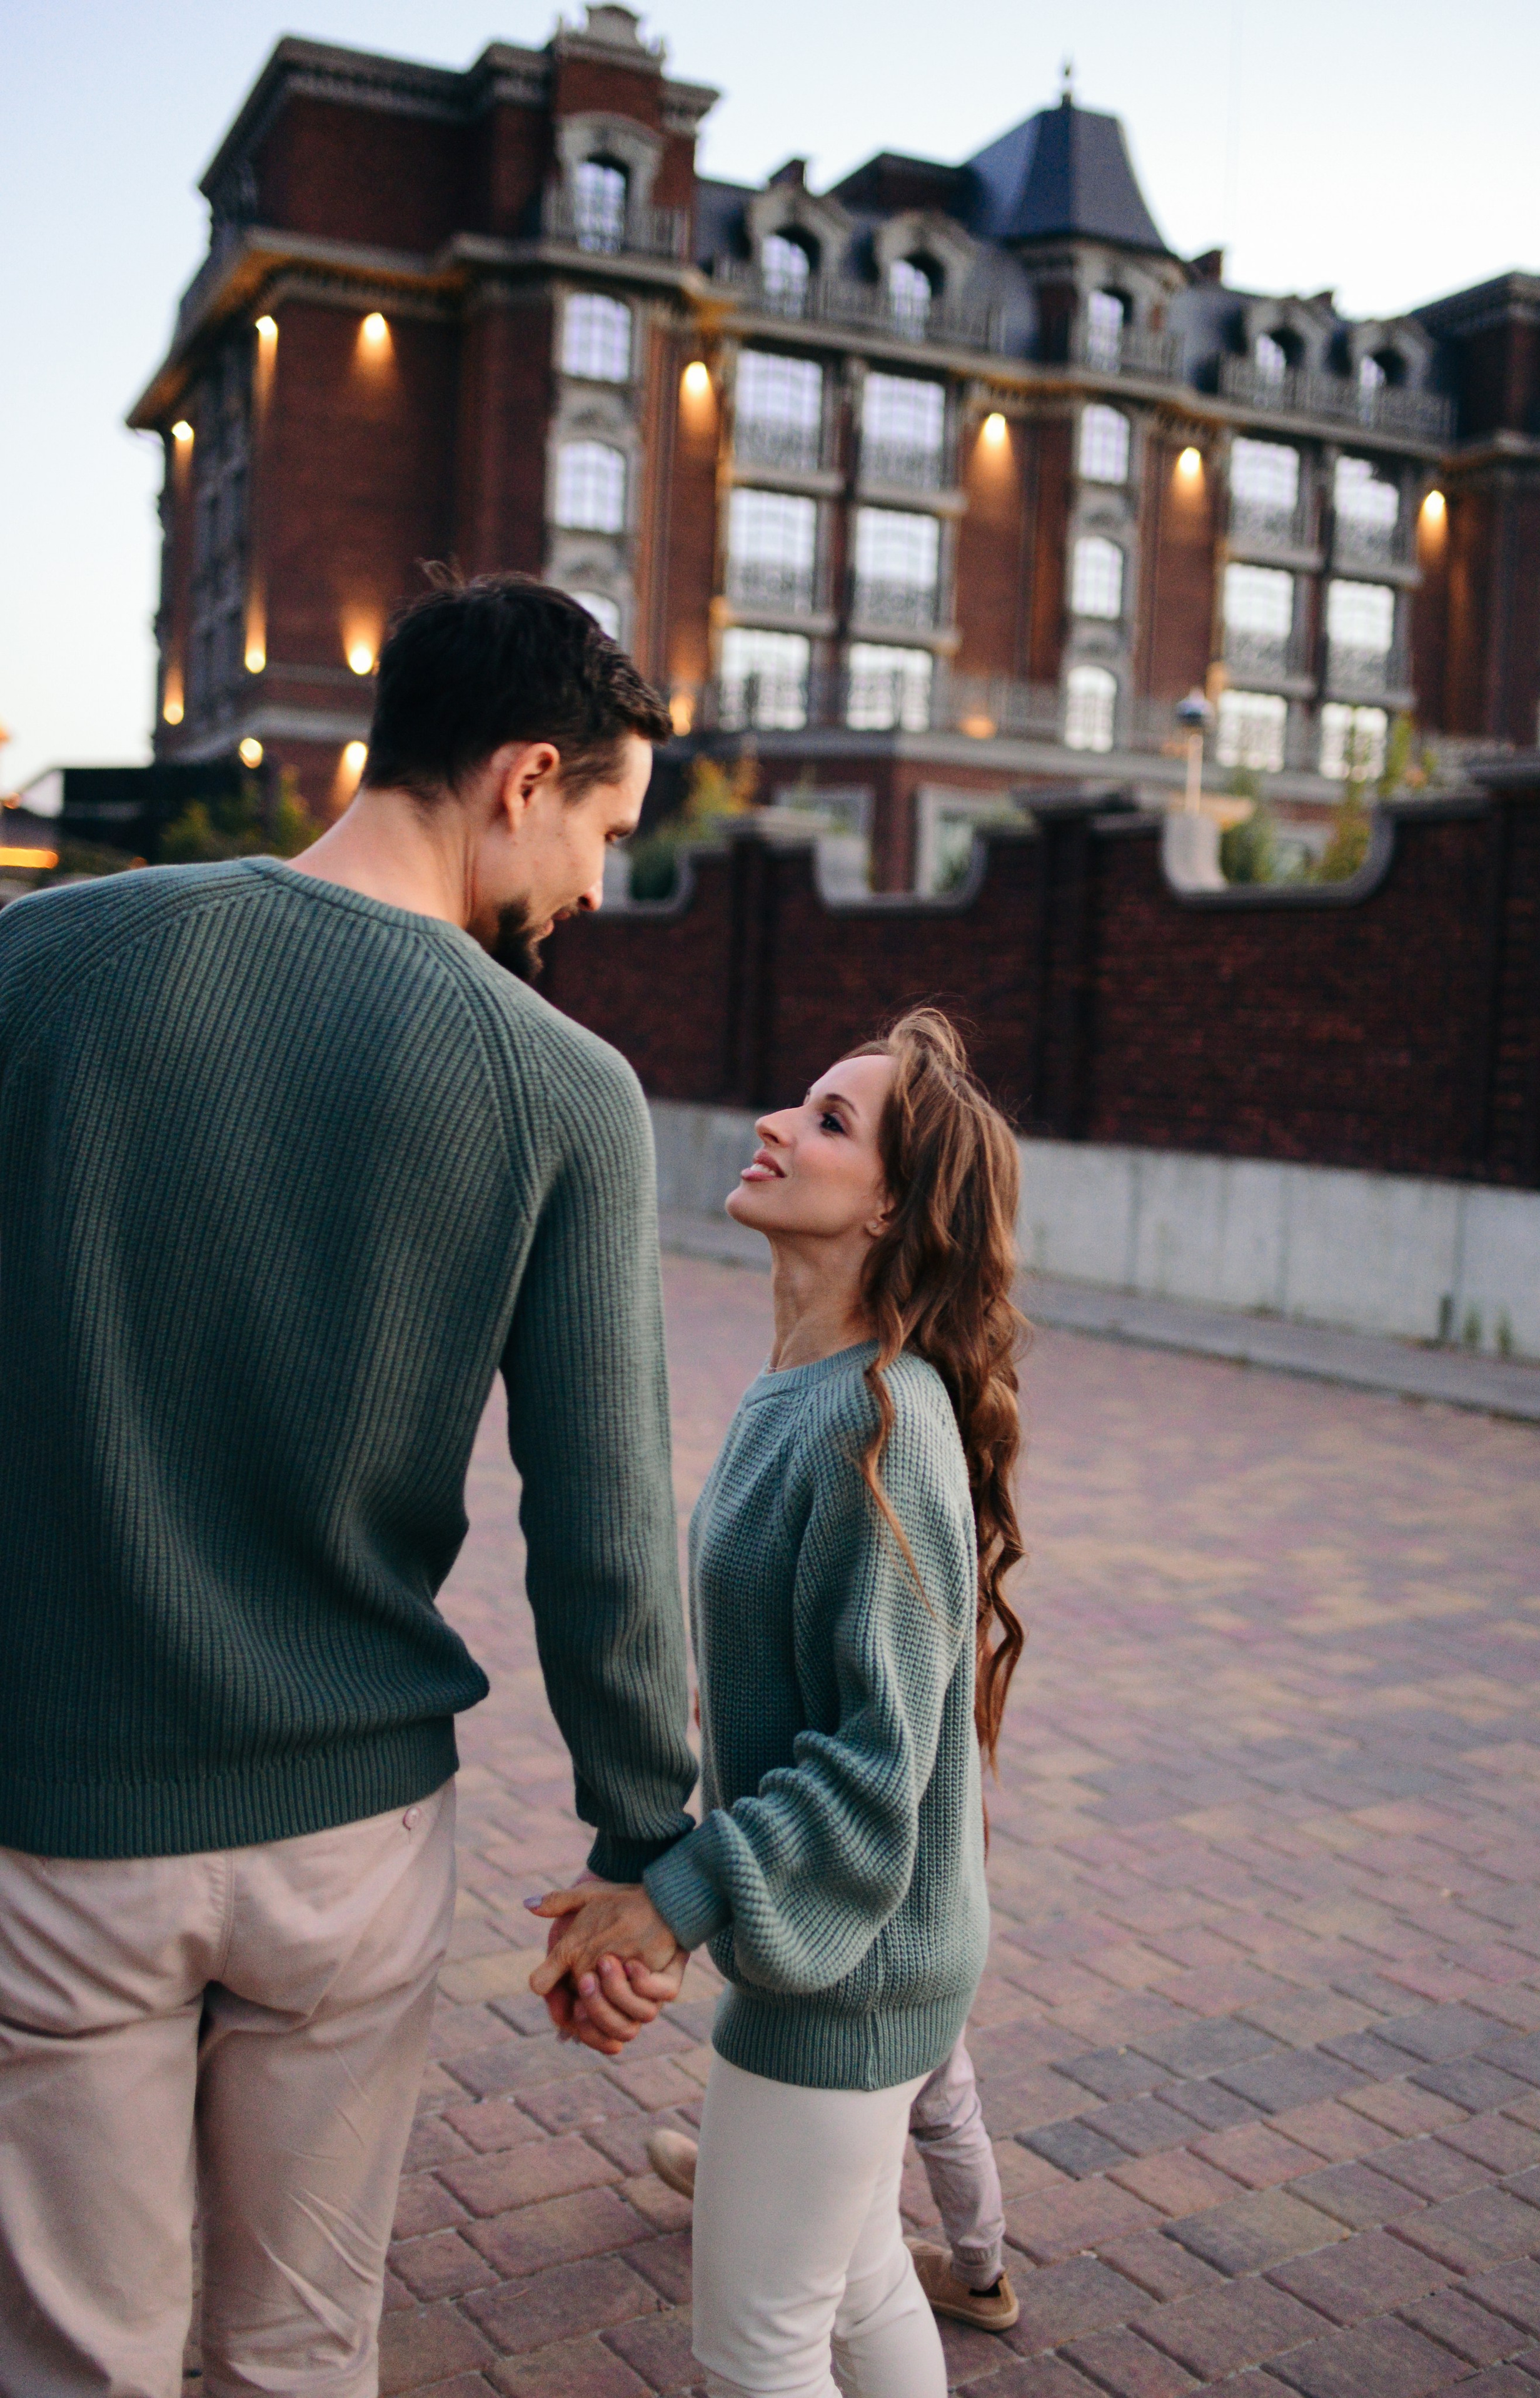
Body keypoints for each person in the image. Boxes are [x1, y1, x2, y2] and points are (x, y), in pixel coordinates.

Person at [0, 575, 697, 2397]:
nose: (595, 892)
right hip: (347, 1843)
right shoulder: (566, 1090)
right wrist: (641, 1841)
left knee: (76, 2355)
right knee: (302, 2349)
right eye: (604, 831)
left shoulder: (40, 966)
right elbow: (604, 1526)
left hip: (57, 1813)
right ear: (521, 777)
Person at [533, 1008, 1027, 2398]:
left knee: (755, 2349)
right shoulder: (803, 1395)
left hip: (855, 1978)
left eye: (826, 1119)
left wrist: (674, 1898)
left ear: (889, 1208)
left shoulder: (880, 1428)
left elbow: (871, 1767)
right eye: (798, 1099)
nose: (772, 1123)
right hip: (860, 1961)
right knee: (863, 2286)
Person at [643, 2021, 1018, 2333]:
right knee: (948, 2111)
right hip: (942, 1962)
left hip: (853, 1973)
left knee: (787, 2067)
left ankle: (736, 2186)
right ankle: (981, 2275)